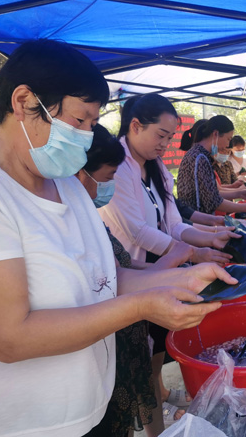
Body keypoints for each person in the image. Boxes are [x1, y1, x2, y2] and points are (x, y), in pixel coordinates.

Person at [0, 40, 234, 437]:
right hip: (17, 426)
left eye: (92, 123)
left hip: (90, 411)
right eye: (80, 121)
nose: (87, 136)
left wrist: (183, 279)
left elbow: (104, 279)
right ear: (24, 102)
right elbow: (9, 338)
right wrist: (141, 306)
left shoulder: (67, 185)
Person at [76, 124, 193, 436]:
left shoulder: (90, 217)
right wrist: (174, 264)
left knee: (129, 408)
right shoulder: (76, 219)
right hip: (110, 336)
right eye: (108, 177)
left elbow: (123, 268)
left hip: (125, 330)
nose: (108, 187)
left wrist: (176, 268)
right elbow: (115, 278)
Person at [99, 94, 236, 266]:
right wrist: (193, 253)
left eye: (169, 138)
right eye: (160, 135)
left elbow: (174, 225)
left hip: (161, 268)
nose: (165, 144)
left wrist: (212, 238)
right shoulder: (115, 169)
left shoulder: (157, 167)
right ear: (136, 126)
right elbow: (139, 232)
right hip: (135, 273)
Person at [177, 115, 246, 217]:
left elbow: (213, 192)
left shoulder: (199, 155)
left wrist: (239, 193)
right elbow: (213, 201)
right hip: (197, 220)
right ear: (216, 134)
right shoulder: (200, 158)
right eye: (228, 139)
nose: (227, 145)